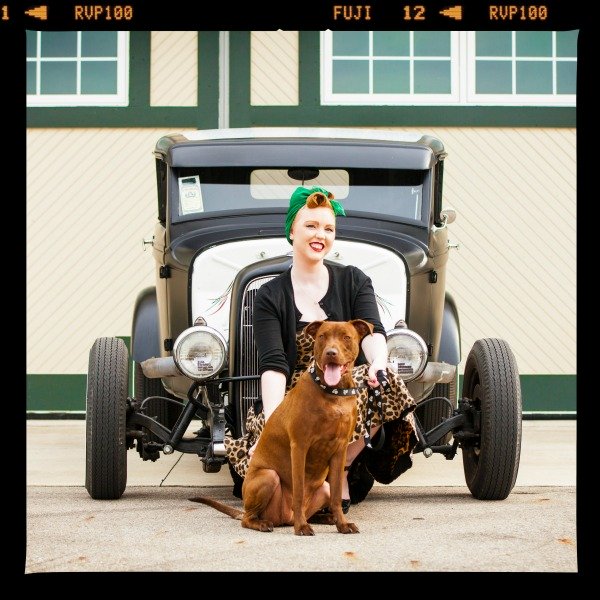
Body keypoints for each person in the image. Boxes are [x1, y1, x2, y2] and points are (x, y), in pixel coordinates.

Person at [224, 186, 417, 513]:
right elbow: (273, 364)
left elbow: (373, 331)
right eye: (311, 226)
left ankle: (339, 469)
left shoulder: (354, 280)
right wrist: (274, 424)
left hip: (343, 383)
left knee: (388, 384)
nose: (320, 235)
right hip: (293, 393)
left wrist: (377, 362)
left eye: (329, 229)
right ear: (292, 230)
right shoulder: (270, 294)